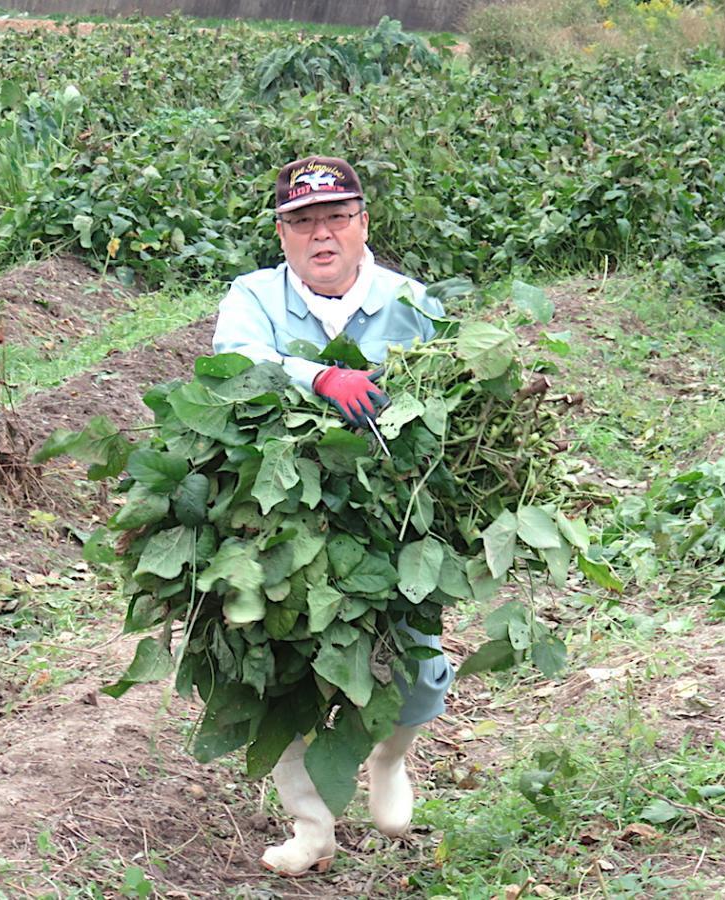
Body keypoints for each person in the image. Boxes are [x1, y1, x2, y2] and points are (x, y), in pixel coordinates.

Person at [212, 155, 456, 877]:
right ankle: (311, 826)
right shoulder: (253, 296)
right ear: (283, 235)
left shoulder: (409, 302)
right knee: (270, 660)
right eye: (303, 221)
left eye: (336, 218)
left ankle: (388, 759)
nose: (322, 234)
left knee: (414, 658)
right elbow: (232, 360)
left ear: (363, 225)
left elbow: (447, 387)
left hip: (388, 513)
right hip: (275, 512)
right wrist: (317, 374)